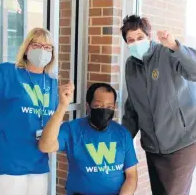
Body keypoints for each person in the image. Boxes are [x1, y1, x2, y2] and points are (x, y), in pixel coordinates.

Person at [0, 28, 67, 195]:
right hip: (8, 158)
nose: (42, 51)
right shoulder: (8, 72)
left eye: (47, 47)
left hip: (37, 160)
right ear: (26, 48)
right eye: (36, 45)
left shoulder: (52, 82)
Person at [121, 15, 196, 195]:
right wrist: (123, 139)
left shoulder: (166, 53)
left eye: (140, 37)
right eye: (130, 40)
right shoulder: (131, 66)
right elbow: (133, 106)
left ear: (149, 37)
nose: (135, 42)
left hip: (181, 143)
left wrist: (175, 46)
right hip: (152, 146)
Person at [39, 82, 138, 195]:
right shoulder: (72, 129)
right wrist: (62, 106)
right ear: (87, 106)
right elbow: (45, 146)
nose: (104, 110)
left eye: (109, 107)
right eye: (98, 106)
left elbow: (131, 176)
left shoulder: (123, 134)